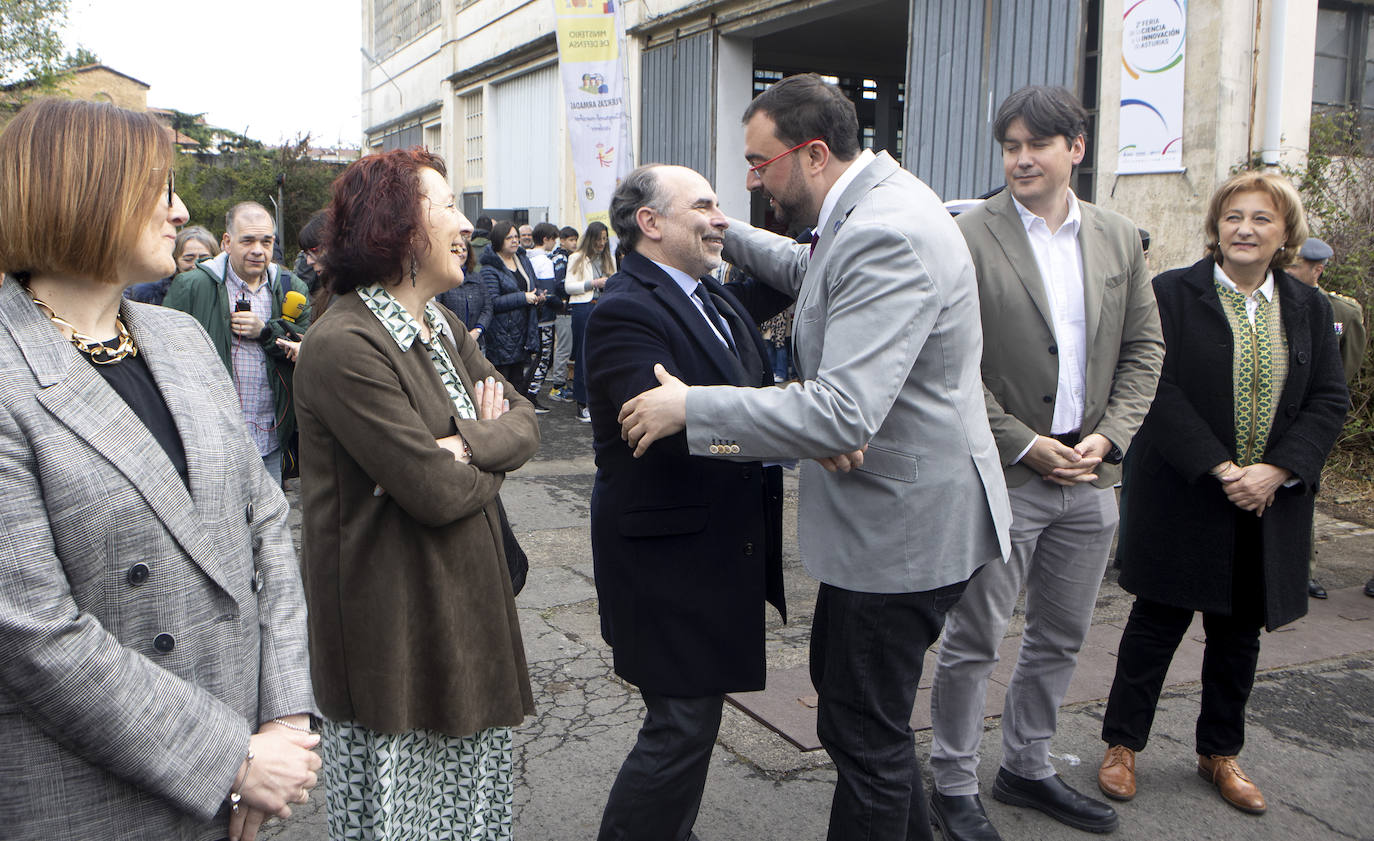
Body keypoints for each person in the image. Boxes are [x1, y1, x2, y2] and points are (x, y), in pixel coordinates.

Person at [616, 72, 1011, 841]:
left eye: (760, 165)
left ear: (816, 153)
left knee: (863, 731)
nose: (752, 182)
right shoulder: (869, 209)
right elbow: (812, 274)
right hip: (897, 516)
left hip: (902, 531)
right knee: (865, 720)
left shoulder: (884, 229)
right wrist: (722, 235)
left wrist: (690, 407)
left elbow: (838, 413)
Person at [0, 97, 320, 841]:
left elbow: (265, 522)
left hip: (246, 765)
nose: (178, 212)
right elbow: (31, 632)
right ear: (79, 191)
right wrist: (230, 758)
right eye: (159, 187)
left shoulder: (176, 337)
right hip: (90, 793)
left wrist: (282, 714)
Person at [928, 86, 1164, 841]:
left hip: (1092, 475)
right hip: (1005, 471)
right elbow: (947, 363)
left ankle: (1026, 765)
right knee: (974, 638)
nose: (1021, 158)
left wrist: (1111, 437)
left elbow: (1144, 349)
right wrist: (1023, 441)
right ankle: (952, 779)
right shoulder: (967, 235)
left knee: (1061, 635)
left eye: (1037, 144)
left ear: (1076, 150)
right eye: (1010, 145)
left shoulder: (1120, 236)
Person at [295, 148, 540, 840]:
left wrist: (467, 445)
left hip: (468, 614)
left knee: (474, 821)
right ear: (399, 226)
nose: (468, 224)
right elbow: (432, 491)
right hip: (396, 637)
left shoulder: (443, 325)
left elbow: (524, 423)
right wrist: (478, 443)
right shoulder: (343, 343)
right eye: (449, 207)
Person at [1096, 170, 1347, 815]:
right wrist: (1220, 468)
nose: (1245, 229)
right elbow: (1155, 386)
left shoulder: (1310, 307)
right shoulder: (1171, 295)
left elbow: (1327, 400)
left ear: (1284, 233)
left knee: (1239, 636)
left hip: (1266, 504)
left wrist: (1276, 471)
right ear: (1216, 226)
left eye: (1262, 219)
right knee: (1156, 625)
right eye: (1234, 216)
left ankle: (1218, 752)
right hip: (1188, 492)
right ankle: (1123, 746)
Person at [586, 164, 786, 841]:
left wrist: (730, 229)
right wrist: (778, 439)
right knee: (681, 724)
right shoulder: (625, 307)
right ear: (651, 222)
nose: (721, 217)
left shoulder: (714, 296)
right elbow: (670, 439)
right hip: (665, 562)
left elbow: (799, 273)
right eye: (703, 205)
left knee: (691, 719)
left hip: (712, 554)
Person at [164, 202, 311, 483]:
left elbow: (305, 345)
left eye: (266, 242)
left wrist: (266, 332)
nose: (258, 250)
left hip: (271, 437)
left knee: (270, 522)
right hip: (212, 442)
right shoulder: (193, 286)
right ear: (227, 242)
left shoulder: (292, 288)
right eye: (248, 240)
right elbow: (167, 356)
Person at [1285, 236, 1366, 599]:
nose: (1287, 269)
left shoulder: (1342, 314)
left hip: (1309, 419)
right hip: (1271, 415)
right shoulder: (1273, 303)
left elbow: (1344, 369)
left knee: (1304, 490)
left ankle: (1302, 571)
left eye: (1295, 265)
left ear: (1316, 269)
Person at [480, 219, 542, 395]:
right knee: (503, 384)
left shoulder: (522, 260)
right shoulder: (489, 268)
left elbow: (531, 286)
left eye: (516, 237)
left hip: (523, 330)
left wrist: (538, 296)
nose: (515, 240)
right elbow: (493, 302)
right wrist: (523, 297)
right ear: (499, 240)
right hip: (501, 334)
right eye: (509, 238)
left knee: (519, 383)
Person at [565, 220, 615, 422]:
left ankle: (600, 401)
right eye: (598, 239)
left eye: (604, 239)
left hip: (604, 306)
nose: (602, 243)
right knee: (583, 355)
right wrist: (593, 283)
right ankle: (582, 402)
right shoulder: (577, 258)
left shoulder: (608, 258)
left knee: (604, 355)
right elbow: (569, 287)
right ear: (591, 239)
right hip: (583, 307)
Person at [523, 221, 565, 412]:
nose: (554, 244)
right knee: (544, 356)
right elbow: (550, 293)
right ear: (546, 239)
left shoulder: (526, 257)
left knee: (534, 356)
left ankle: (527, 392)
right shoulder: (545, 262)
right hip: (545, 316)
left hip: (530, 313)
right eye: (553, 239)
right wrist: (561, 304)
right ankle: (531, 395)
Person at [126, 225, 217, 305]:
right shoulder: (148, 292)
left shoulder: (223, 289)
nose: (195, 265)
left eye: (204, 258)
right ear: (175, 260)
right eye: (188, 259)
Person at [435, 235, 490, 348]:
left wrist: (478, 330)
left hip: (477, 342)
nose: (460, 253)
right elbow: (436, 309)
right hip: (451, 342)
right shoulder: (442, 279)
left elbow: (487, 307)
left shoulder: (477, 278)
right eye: (455, 250)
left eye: (464, 250)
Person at [548, 224, 579, 401]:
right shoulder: (561, 259)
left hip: (566, 309)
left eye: (576, 240)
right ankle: (557, 386)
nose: (574, 243)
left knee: (566, 347)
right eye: (571, 240)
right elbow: (559, 283)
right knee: (563, 348)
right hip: (563, 309)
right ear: (562, 240)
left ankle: (561, 384)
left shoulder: (567, 257)